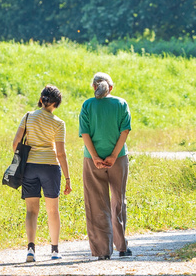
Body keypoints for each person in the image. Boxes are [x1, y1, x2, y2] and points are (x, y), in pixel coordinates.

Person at [11, 84, 72, 262]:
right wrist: (67, 178)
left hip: (29, 166)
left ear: (41, 100)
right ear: (57, 104)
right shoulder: (59, 124)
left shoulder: (28, 116)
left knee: (31, 210)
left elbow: (15, 143)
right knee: (53, 210)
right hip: (50, 167)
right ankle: (54, 250)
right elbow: (61, 153)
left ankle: (31, 249)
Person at [79, 72, 132, 259]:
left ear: (94, 87)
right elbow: (125, 131)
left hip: (92, 161)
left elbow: (85, 133)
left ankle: (102, 251)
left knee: (96, 203)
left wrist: (95, 157)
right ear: (111, 87)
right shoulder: (121, 103)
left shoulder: (87, 105)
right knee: (118, 200)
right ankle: (122, 247)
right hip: (118, 160)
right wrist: (114, 155)